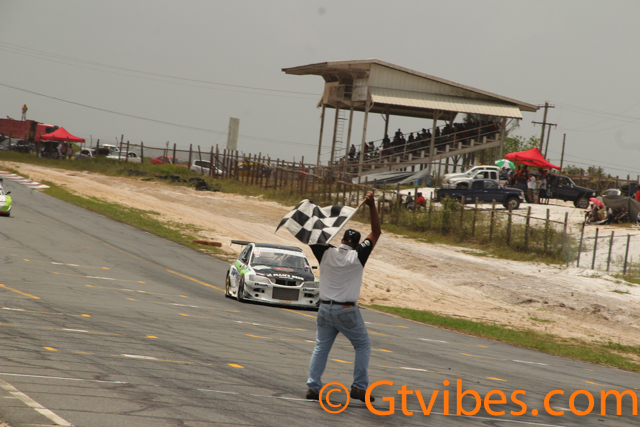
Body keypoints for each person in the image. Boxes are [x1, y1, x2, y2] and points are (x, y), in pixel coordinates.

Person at [306, 192, 381, 402]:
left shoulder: (325, 252)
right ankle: (359, 387)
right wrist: (372, 206)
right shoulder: (358, 255)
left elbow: (313, 235)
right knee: (362, 345)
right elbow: (376, 232)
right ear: (356, 244)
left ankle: (313, 386)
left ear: (341, 240)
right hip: (346, 310)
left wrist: (326, 223)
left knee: (321, 347)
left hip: (324, 308)